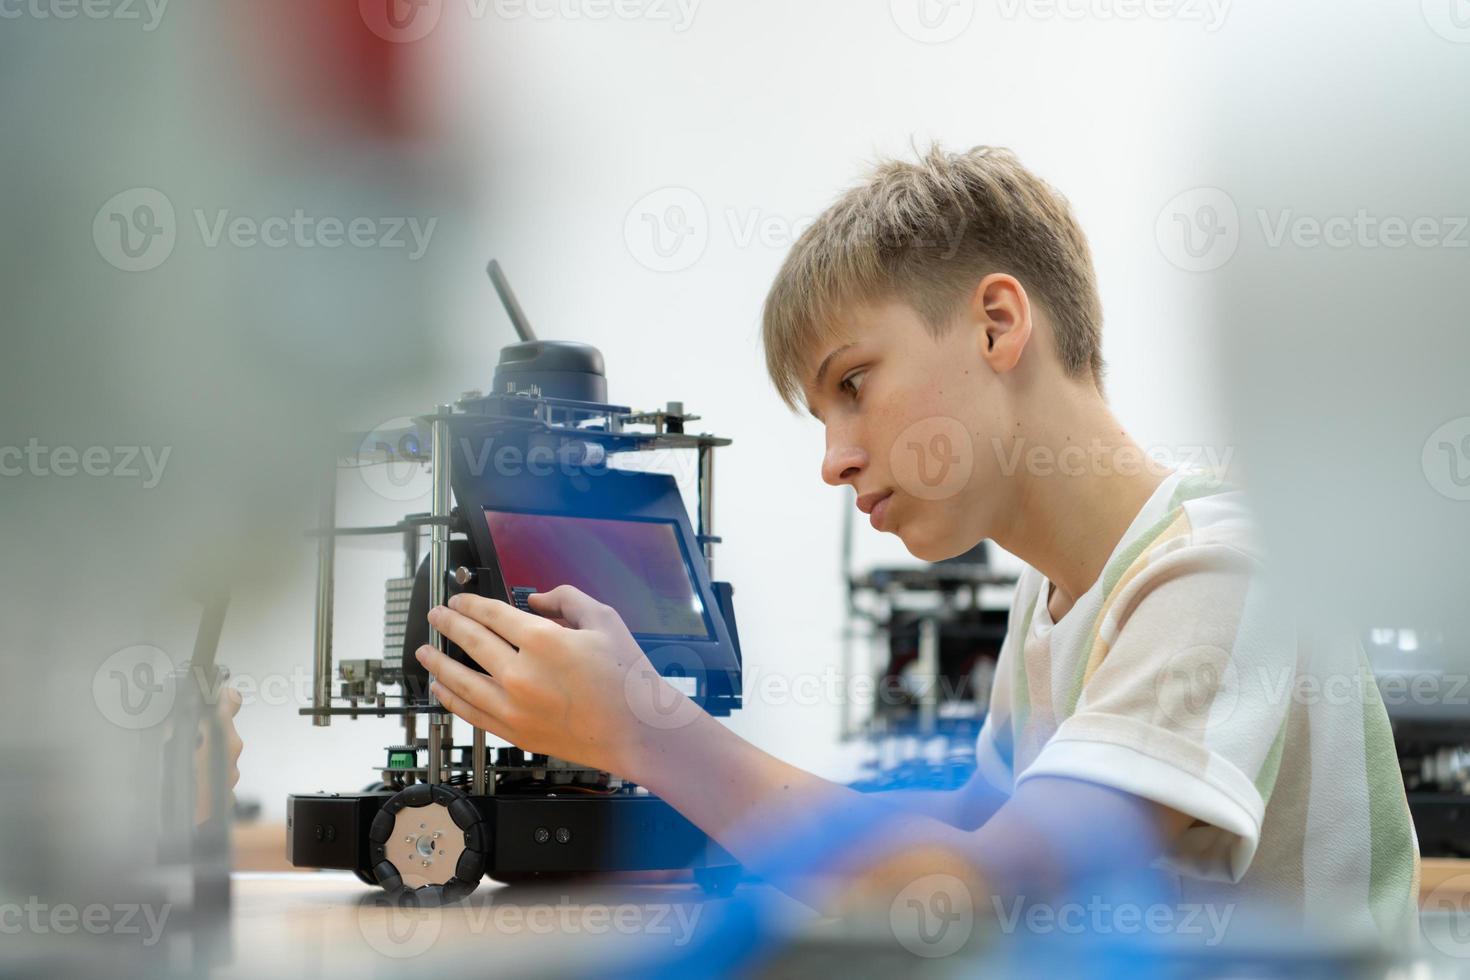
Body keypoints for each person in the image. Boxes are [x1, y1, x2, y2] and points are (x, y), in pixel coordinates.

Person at [415, 145, 1420, 946]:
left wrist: (648, 730)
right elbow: (962, 832)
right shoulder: (1054, 599)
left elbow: (973, 888)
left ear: (996, 323)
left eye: (853, 384)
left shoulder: (1213, 569)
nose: (834, 461)